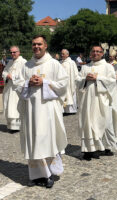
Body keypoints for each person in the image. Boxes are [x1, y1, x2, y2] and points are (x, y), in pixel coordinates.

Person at [15, 35, 69, 188]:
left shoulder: (53, 64)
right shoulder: (26, 66)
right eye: (34, 44)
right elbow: (17, 84)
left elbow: (63, 84)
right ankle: (35, 176)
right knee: (33, 140)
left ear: (45, 46)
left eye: (39, 44)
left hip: (47, 111)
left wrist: (44, 82)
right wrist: (28, 83)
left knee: (46, 140)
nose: (36, 47)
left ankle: (48, 174)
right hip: (31, 112)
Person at [77, 46, 117, 160]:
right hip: (87, 101)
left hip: (102, 100)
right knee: (88, 124)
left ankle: (105, 147)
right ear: (90, 53)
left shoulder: (108, 67)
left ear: (102, 54)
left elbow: (112, 82)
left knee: (104, 124)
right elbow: (77, 81)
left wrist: (97, 78)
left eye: (98, 51)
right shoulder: (85, 67)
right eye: (93, 51)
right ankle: (89, 149)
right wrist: (85, 79)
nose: (95, 53)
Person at [2, 46, 26, 132]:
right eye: (11, 52)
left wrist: (13, 77)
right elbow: (4, 72)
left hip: (17, 89)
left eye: (14, 52)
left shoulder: (23, 62)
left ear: (19, 52)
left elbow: (24, 76)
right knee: (9, 107)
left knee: (15, 107)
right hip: (9, 88)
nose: (12, 54)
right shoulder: (10, 62)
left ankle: (17, 127)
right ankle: (11, 126)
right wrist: (6, 76)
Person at [60, 49, 79, 114]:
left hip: (70, 82)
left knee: (70, 95)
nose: (61, 55)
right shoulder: (60, 62)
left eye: (63, 54)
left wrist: (75, 80)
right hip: (62, 82)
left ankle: (72, 110)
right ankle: (64, 110)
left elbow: (75, 73)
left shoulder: (71, 62)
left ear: (67, 55)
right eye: (61, 53)